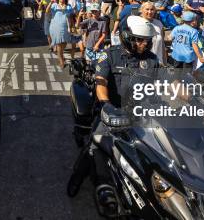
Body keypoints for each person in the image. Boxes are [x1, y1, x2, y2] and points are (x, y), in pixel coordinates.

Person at [68, 16, 159, 216]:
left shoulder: (151, 59)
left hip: (142, 115)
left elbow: (168, 82)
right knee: (96, 143)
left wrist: (190, 94)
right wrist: (106, 105)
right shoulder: (109, 55)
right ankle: (88, 180)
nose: (144, 43)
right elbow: (100, 82)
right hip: (113, 112)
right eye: (139, 39)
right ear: (126, 37)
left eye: (147, 40)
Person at [47, 0, 74, 68]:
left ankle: (61, 55)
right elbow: (47, 11)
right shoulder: (54, 5)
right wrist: (50, 3)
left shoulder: (69, 7)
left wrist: (72, 26)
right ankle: (61, 60)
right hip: (55, 27)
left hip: (65, 28)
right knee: (59, 45)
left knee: (64, 44)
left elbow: (70, 17)